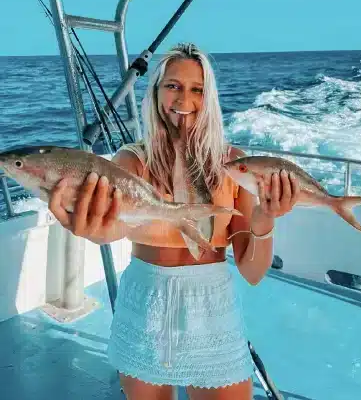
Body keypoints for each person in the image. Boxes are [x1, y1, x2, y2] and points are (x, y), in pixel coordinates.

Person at [49, 43, 300, 400]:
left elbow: (253, 271)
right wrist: (93, 229)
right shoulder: (132, 160)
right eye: (173, 85)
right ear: (155, 92)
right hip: (144, 308)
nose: (185, 98)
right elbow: (115, 227)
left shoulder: (234, 164)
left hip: (212, 309)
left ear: (209, 96)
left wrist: (265, 217)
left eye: (197, 89)